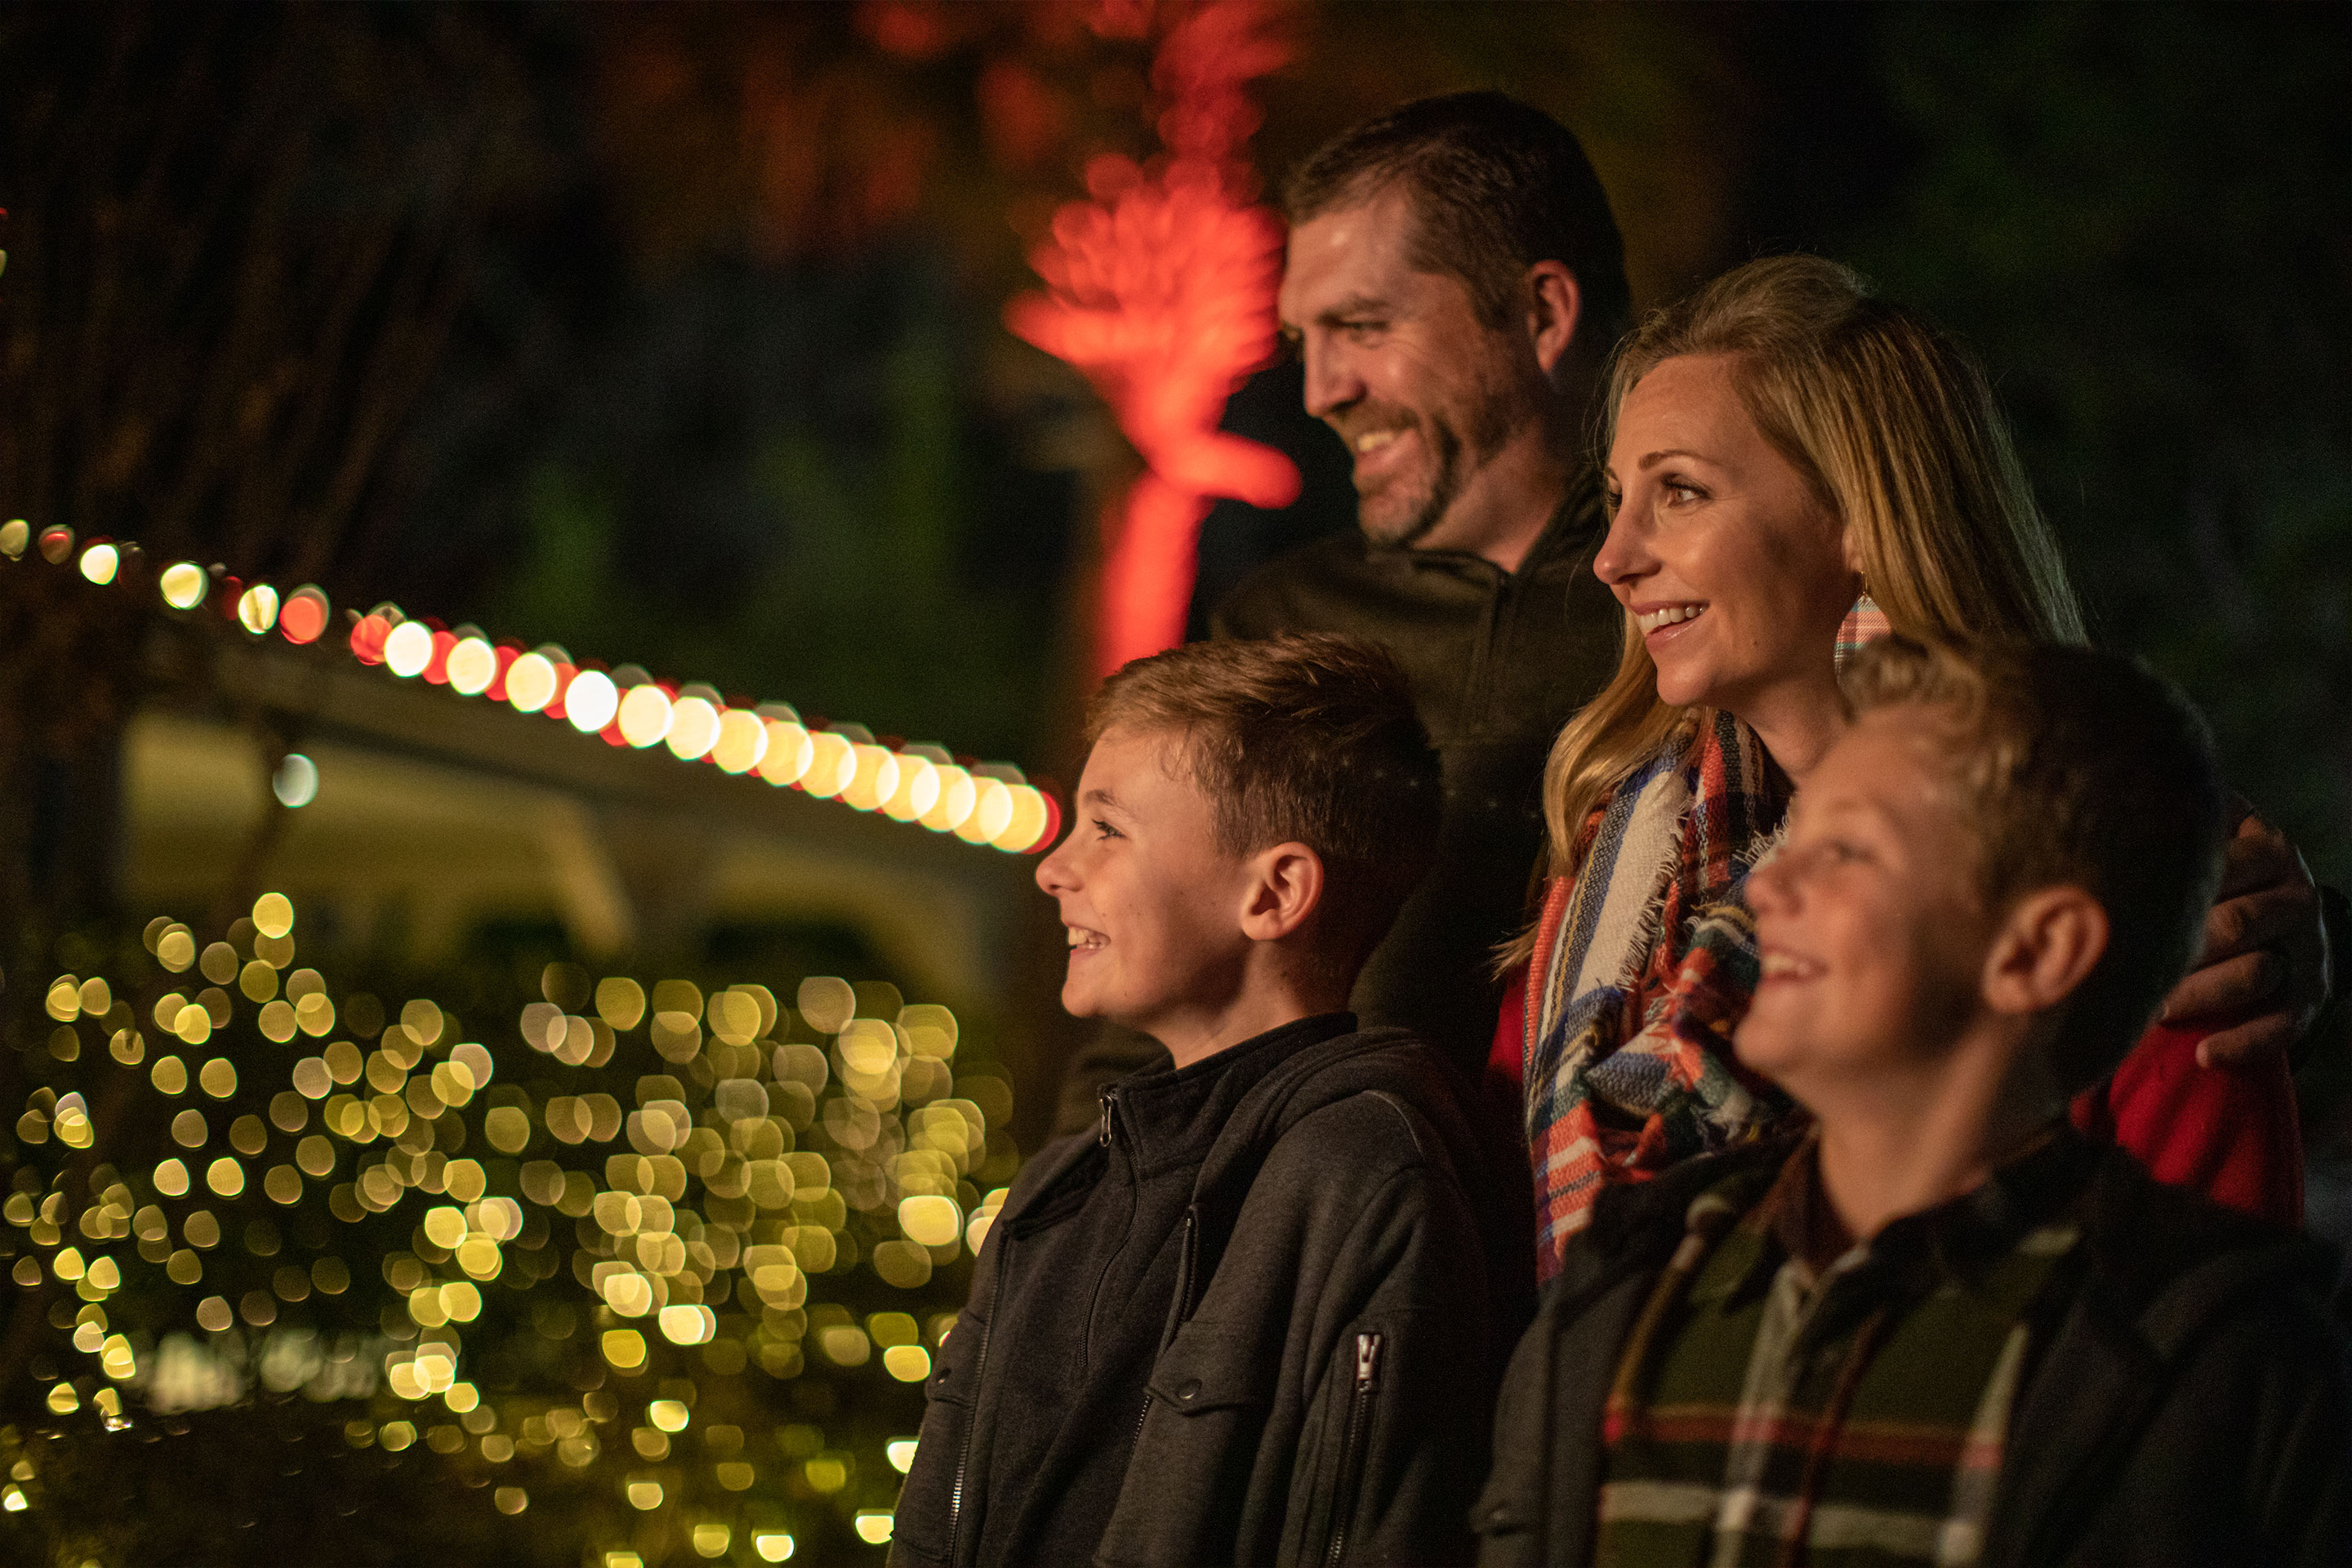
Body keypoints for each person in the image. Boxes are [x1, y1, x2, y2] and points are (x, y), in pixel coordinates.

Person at [1057, 91, 2336, 1137]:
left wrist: (2245, 919)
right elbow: (1140, 1003)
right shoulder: (1289, 625)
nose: (1322, 389)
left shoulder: (1731, 642)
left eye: (1363, 328)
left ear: (1543, 314)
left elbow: (2067, 800)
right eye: (1302, 340)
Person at [1500, 254, 2317, 1270]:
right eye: (1621, 496)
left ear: (1856, 515)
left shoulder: (2100, 888)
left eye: (1680, 493)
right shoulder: (1609, 906)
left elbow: (2223, 1358)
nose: (1614, 556)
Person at [1473, 637, 2351, 1568]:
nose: (1767, 893)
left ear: (2036, 952)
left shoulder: (2218, 1365)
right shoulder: (1625, 1291)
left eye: (1845, 850)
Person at [893, 635, 1532, 1568]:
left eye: (1108, 829)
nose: (1053, 868)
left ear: (1274, 893)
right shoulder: (1059, 1188)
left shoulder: (1364, 1175)